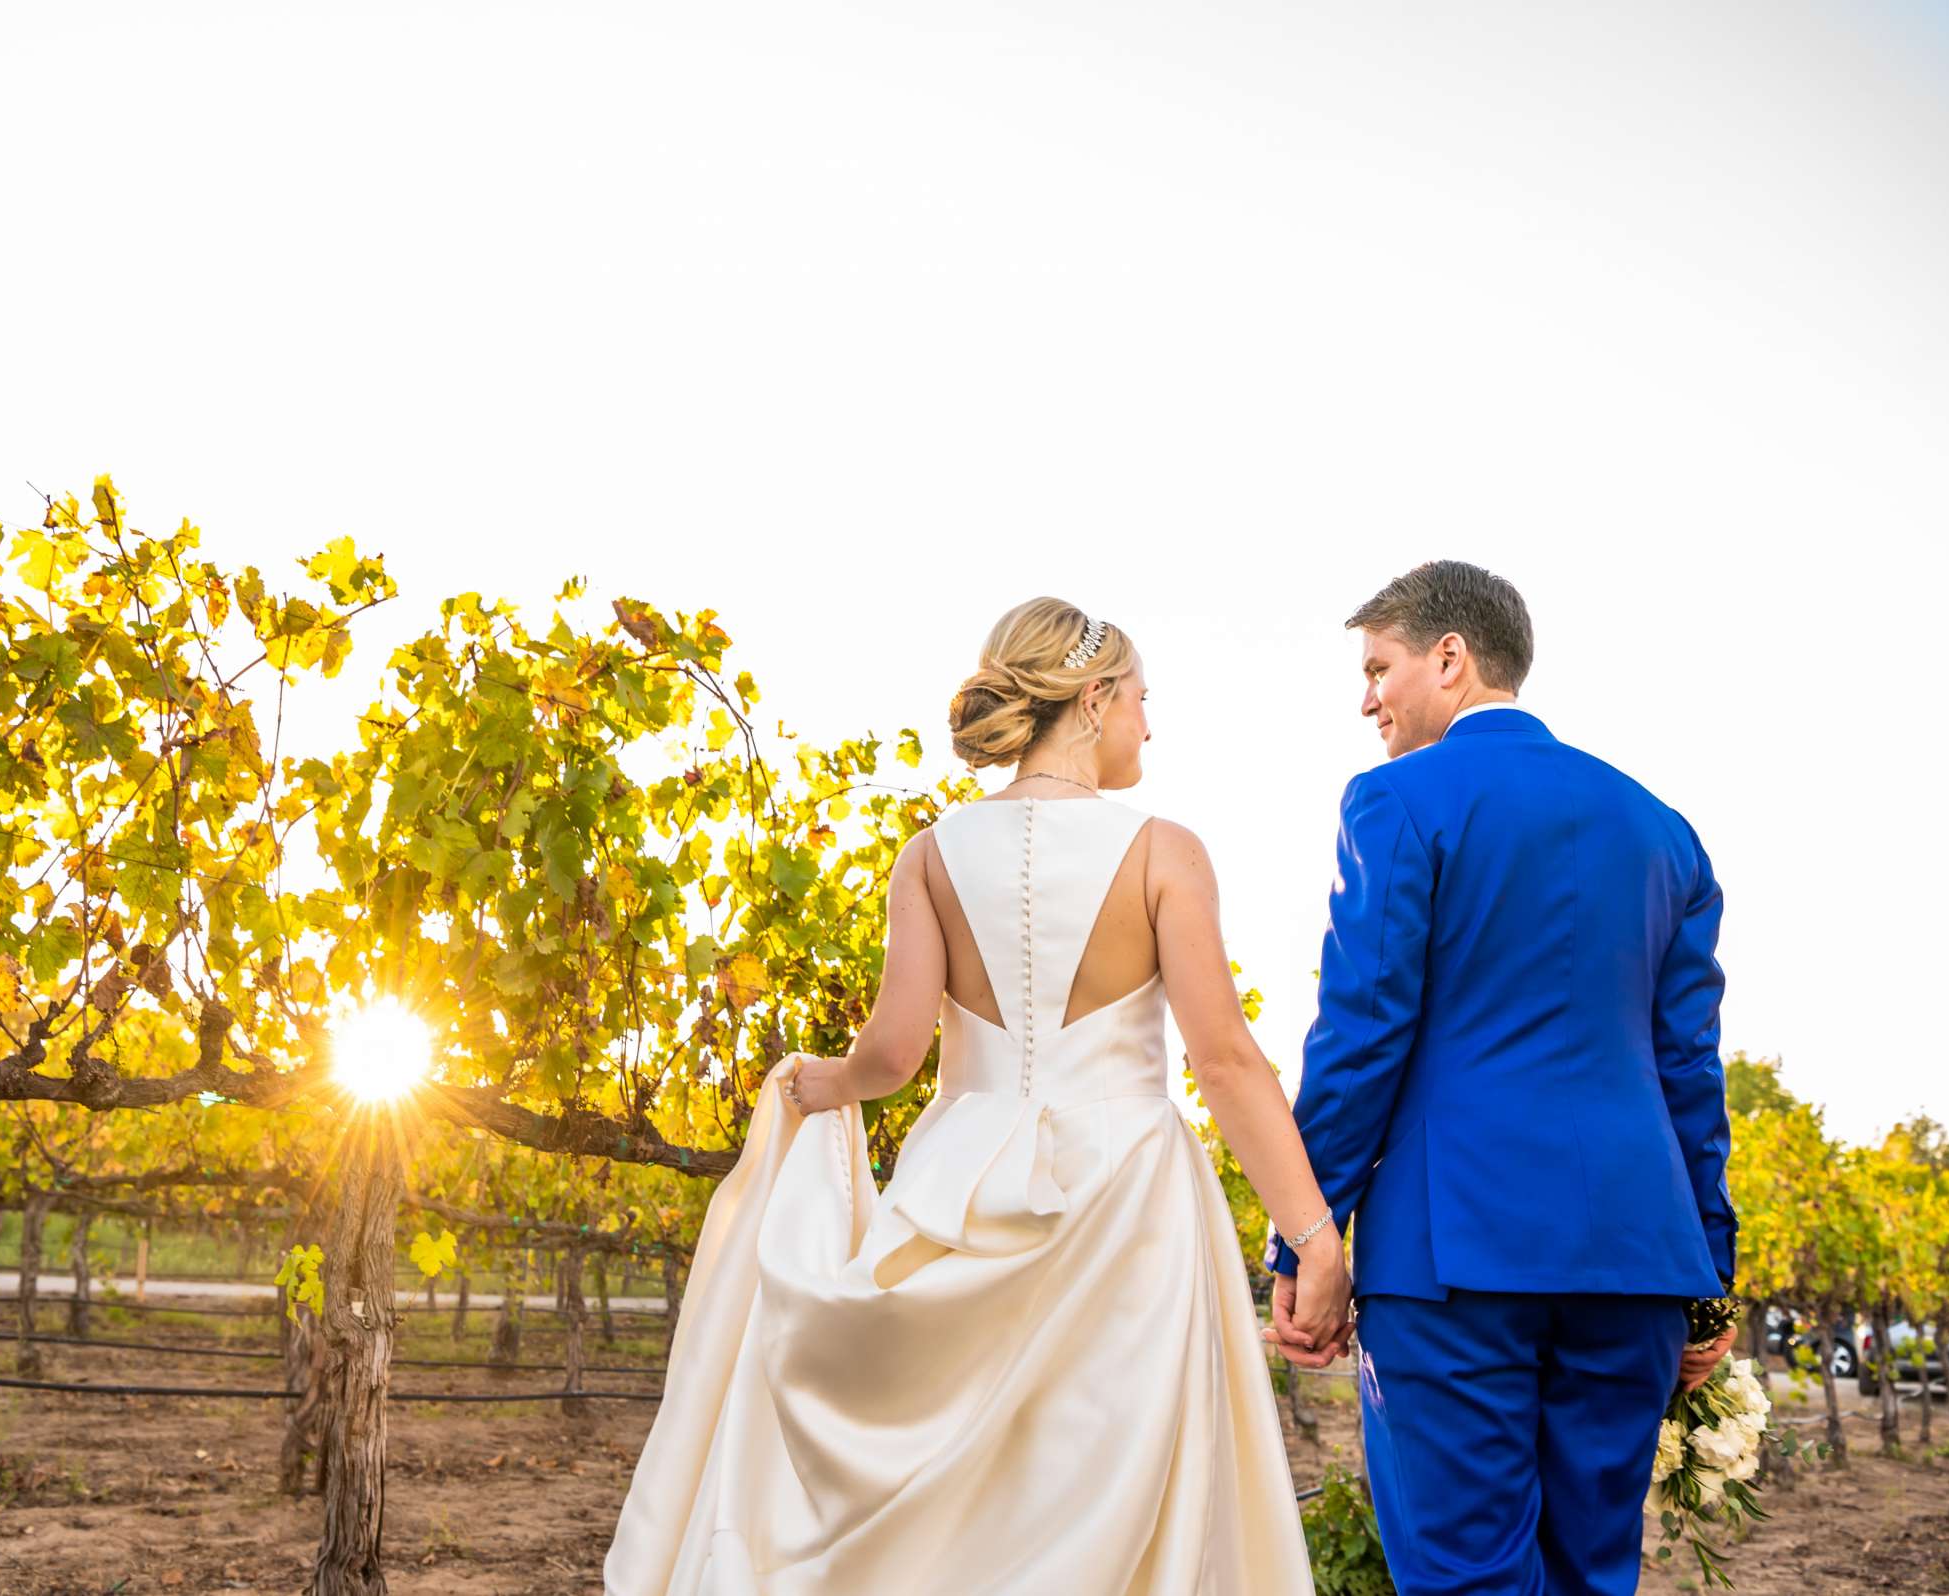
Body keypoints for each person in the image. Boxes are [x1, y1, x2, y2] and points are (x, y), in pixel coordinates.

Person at [606, 597, 1340, 1594]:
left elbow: (894, 1055)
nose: (1149, 728)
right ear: (1093, 698)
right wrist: (1314, 1234)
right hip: (1129, 1204)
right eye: (1141, 701)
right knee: (1108, 1485)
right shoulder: (1167, 851)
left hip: (959, 1185)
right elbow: (1226, 1062)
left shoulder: (931, 854)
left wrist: (815, 1085)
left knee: (976, 1508)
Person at [1265, 560, 1737, 1596]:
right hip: (1636, 1260)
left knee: (1464, 1575)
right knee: (1589, 1574)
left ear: (1451, 657)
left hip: (1456, 1255)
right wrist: (1708, 1277)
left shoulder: (1396, 801)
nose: (1367, 698)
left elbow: (1362, 1034)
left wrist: (1304, 1233)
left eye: (1378, 667)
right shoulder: (1664, 830)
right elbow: (1689, 1074)